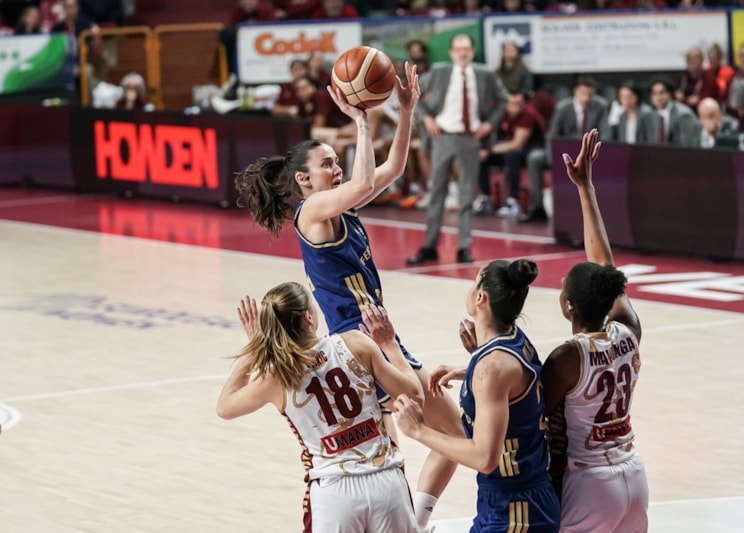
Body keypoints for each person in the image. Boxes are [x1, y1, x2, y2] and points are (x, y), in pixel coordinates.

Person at [233, 63, 463, 533]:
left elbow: (392, 169)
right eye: (327, 164)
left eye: (337, 161)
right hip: (354, 345)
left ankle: (415, 520)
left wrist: (406, 111)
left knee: (442, 436)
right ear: (304, 180)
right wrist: (361, 120)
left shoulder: (343, 206)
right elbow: (362, 183)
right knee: (404, 445)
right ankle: (406, 520)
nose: (336, 168)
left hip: (377, 336)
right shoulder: (313, 211)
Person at [217, 287, 423, 532]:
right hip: (386, 482)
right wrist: (390, 345)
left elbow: (224, 407)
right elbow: (415, 395)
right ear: (308, 317)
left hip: (334, 492)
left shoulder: (277, 376)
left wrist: (253, 352)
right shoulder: (356, 343)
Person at [392, 258, 560, 532]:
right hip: (511, 499)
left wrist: (419, 430)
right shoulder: (513, 339)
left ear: (481, 297)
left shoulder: (491, 369)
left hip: (517, 509)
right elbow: (515, 382)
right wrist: (467, 369)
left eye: (474, 282)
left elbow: (484, 458)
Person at [541, 129, 649, 532]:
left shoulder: (568, 357)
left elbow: (531, 412)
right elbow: (606, 269)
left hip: (588, 482)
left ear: (568, 305)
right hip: (633, 472)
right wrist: (585, 188)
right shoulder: (628, 331)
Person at [407, 34, 508, 265]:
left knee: (466, 196)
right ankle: (429, 246)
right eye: (458, 49)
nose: (462, 53)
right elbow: (415, 93)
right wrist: (427, 118)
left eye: (466, 49)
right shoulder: (440, 71)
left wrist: (490, 124)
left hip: (470, 137)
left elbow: (503, 99)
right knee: (437, 192)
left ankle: (464, 247)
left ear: (472, 52)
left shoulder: (485, 74)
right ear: (451, 52)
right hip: (443, 135)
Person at [521, 75, 607, 223]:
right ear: (575, 92)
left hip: (588, 153)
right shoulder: (563, 107)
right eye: (583, 93)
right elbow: (552, 135)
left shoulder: (601, 106)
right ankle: (537, 207)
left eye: (590, 94)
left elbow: (605, 134)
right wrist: (552, 158)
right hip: (564, 151)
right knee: (535, 158)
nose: (586, 98)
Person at [473, 91, 546, 218]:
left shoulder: (528, 113)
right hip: (506, 147)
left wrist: (489, 150)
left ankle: (513, 200)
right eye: (512, 104)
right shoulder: (500, 114)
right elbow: (490, 134)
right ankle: (485, 197)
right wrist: (485, 149)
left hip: (532, 148)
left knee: (512, 156)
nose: (515, 108)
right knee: (481, 157)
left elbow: (517, 144)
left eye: (519, 104)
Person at [641, 77, 701, 147]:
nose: (658, 97)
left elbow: (687, 145)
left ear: (670, 93)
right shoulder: (650, 115)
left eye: (661, 93)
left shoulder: (683, 115)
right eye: (654, 93)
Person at [602, 80, 652, 144]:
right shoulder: (621, 116)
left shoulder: (647, 113)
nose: (626, 100)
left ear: (637, 96)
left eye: (629, 96)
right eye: (622, 97)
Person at [674, 47, 720, 114]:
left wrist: (697, 99)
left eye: (695, 58)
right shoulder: (683, 78)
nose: (691, 61)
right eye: (689, 58)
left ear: (702, 60)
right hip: (685, 114)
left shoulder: (709, 78)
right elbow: (678, 97)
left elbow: (706, 100)